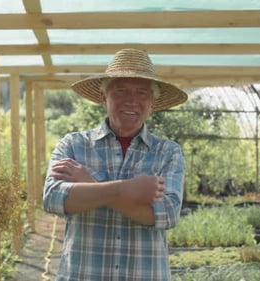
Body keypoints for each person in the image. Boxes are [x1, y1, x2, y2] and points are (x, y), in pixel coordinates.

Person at [42, 48, 188, 280]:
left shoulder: (168, 152)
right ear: (104, 97)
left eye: (142, 93)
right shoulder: (73, 144)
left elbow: (166, 215)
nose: (132, 100)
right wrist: (127, 190)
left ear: (152, 102)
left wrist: (89, 185)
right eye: (121, 91)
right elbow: (54, 199)